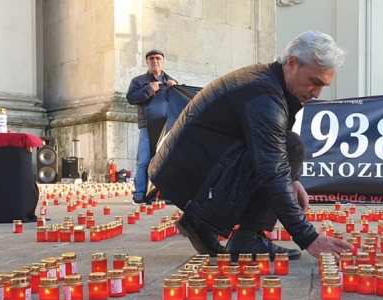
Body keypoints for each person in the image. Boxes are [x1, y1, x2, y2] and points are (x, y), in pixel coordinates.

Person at [148, 31, 354, 261]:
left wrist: (293, 180)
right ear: (293, 64)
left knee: (289, 146)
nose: (317, 93)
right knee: (285, 152)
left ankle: (208, 226)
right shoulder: (264, 94)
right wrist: (309, 238)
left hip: (189, 163)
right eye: (315, 82)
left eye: (323, 85)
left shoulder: (268, 81)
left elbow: (274, 147)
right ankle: (242, 236)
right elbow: (272, 170)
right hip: (184, 171)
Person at [126, 49, 178, 205]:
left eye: (158, 58)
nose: (155, 61)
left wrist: (175, 88)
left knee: (166, 160)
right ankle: (140, 193)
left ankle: (164, 193)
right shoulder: (138, 81)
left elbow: (178, 103)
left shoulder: (171, 80)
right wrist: (149, 89)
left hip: (167, 127)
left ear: (163, 61)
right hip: (147, 126)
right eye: (151, 59)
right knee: (143, 160)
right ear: (147, 62)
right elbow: (131, 98)